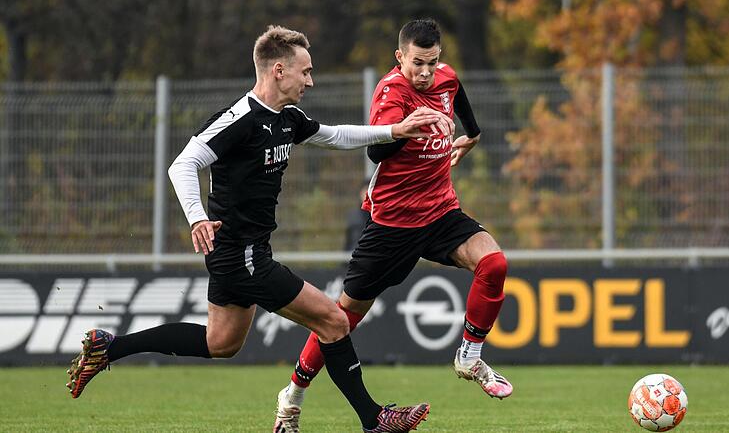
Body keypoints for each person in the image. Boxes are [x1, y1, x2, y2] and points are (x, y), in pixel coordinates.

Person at [66, 25, 455, 433]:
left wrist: (396, 130)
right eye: (305, 71)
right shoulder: (241, 119)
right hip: (242, 255)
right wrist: (197, 216)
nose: (311, 80)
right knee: (333, 320)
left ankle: (110, 348)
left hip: (239, 253)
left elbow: (335, 135)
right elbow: (182, 164)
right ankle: (374, 419)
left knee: (222, 343)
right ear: (279, 71)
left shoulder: (287, 118)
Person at [273, 18, 513, 432]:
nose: (425, 72)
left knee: (494, 264)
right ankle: (292, 395)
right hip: (393, 224)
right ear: (400, 56)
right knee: (341, 318)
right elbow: (377, 155)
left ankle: (469, 357)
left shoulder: (445, 78)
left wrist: (471, 135)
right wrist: (410, 126)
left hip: (440, 212)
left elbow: (458, 95)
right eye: (417, 63)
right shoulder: (391, 92)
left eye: (432, 63)